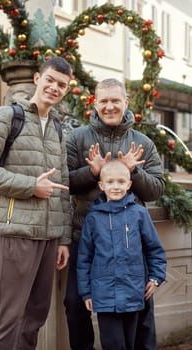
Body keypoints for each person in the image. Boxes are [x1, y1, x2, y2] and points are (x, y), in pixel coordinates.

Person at [0, 57, 72, 350]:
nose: (54, 87)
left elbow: (62, 189)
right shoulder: (6, 116)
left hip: (49, 237)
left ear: (66, 91)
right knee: (9, 316)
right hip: (17, 231)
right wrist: (30, 187)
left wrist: (63, 239)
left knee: (36, 315)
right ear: (38, 79)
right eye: (50, 80)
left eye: (61, 85)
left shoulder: (58, 129)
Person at [64, 78, 166, 350]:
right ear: (94, 103)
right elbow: (65, 183)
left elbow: (157, 189)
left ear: (125, 102)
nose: (109, 106)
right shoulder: (77, 138)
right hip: (86, 237)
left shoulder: (143, 142)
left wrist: (132, 170)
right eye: (104, 101)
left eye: (115, 101)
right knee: (75, 303)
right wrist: (92, 172)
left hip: (131, 241)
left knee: (142, 307)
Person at [77, 159, 167, 350]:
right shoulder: (93, 218)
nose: (115, 186)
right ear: (101, 185)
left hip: (133, 293)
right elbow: (84, 258)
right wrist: (86, 292)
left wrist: (156, 277)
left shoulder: (139, 214)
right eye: (110, 182)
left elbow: (154, 249)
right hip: (104, 295)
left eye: (120, 181)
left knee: (131, 343)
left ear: (129, 184)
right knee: (113, 344)